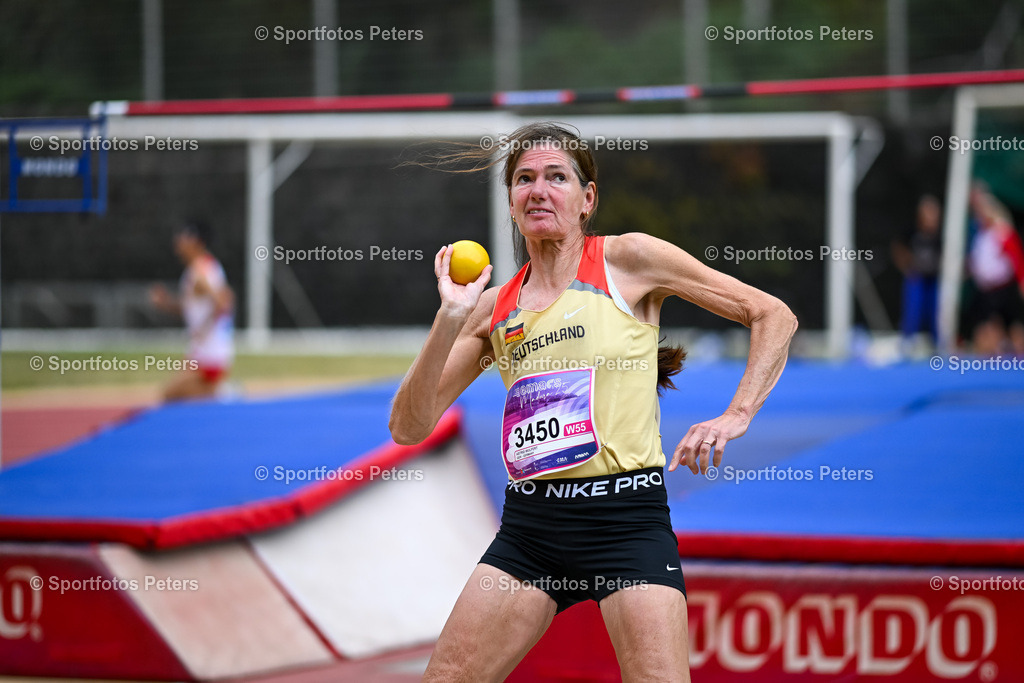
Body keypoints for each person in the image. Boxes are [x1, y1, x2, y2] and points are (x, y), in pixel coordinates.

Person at [389, 123, 797, 682]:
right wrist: (450, 319)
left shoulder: (627, 261)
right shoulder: (491, 310)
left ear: (587, 200)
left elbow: (772, 314)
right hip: (531, 531)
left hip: (626, 524)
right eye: (525, 179)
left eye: (557, 177)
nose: (539, 190)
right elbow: (409, 427)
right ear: (510, 202)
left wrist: (738, 412)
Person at [149, 220, 235, 401]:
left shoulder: (200, 271)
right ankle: (220, 394)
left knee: (171, 395)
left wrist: (203, 329)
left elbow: (224, 301)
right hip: (201, 352)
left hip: (209, 355)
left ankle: (225, 394)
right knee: (176, 398)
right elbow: (191, 309)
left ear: (196, 241)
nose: (178, 242)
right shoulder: (199, 269)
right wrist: (166, 303)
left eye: (183, 237)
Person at [967, 185, 1024, 355]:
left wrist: (1022, 281)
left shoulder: (1002, 232)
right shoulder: (981, 236)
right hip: (986, 291)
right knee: (987, 328)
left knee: (1013, 325)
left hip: (1004, 289)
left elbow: (1017, 259)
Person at [891, 195, 942, 354]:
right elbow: (897, 248)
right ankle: (907, 342)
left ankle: (938, 344)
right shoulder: (912, 231)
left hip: (934, 278)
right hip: (917, 278)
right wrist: (906, 267)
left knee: (936, 312)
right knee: (913, 310)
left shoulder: (940, 234)